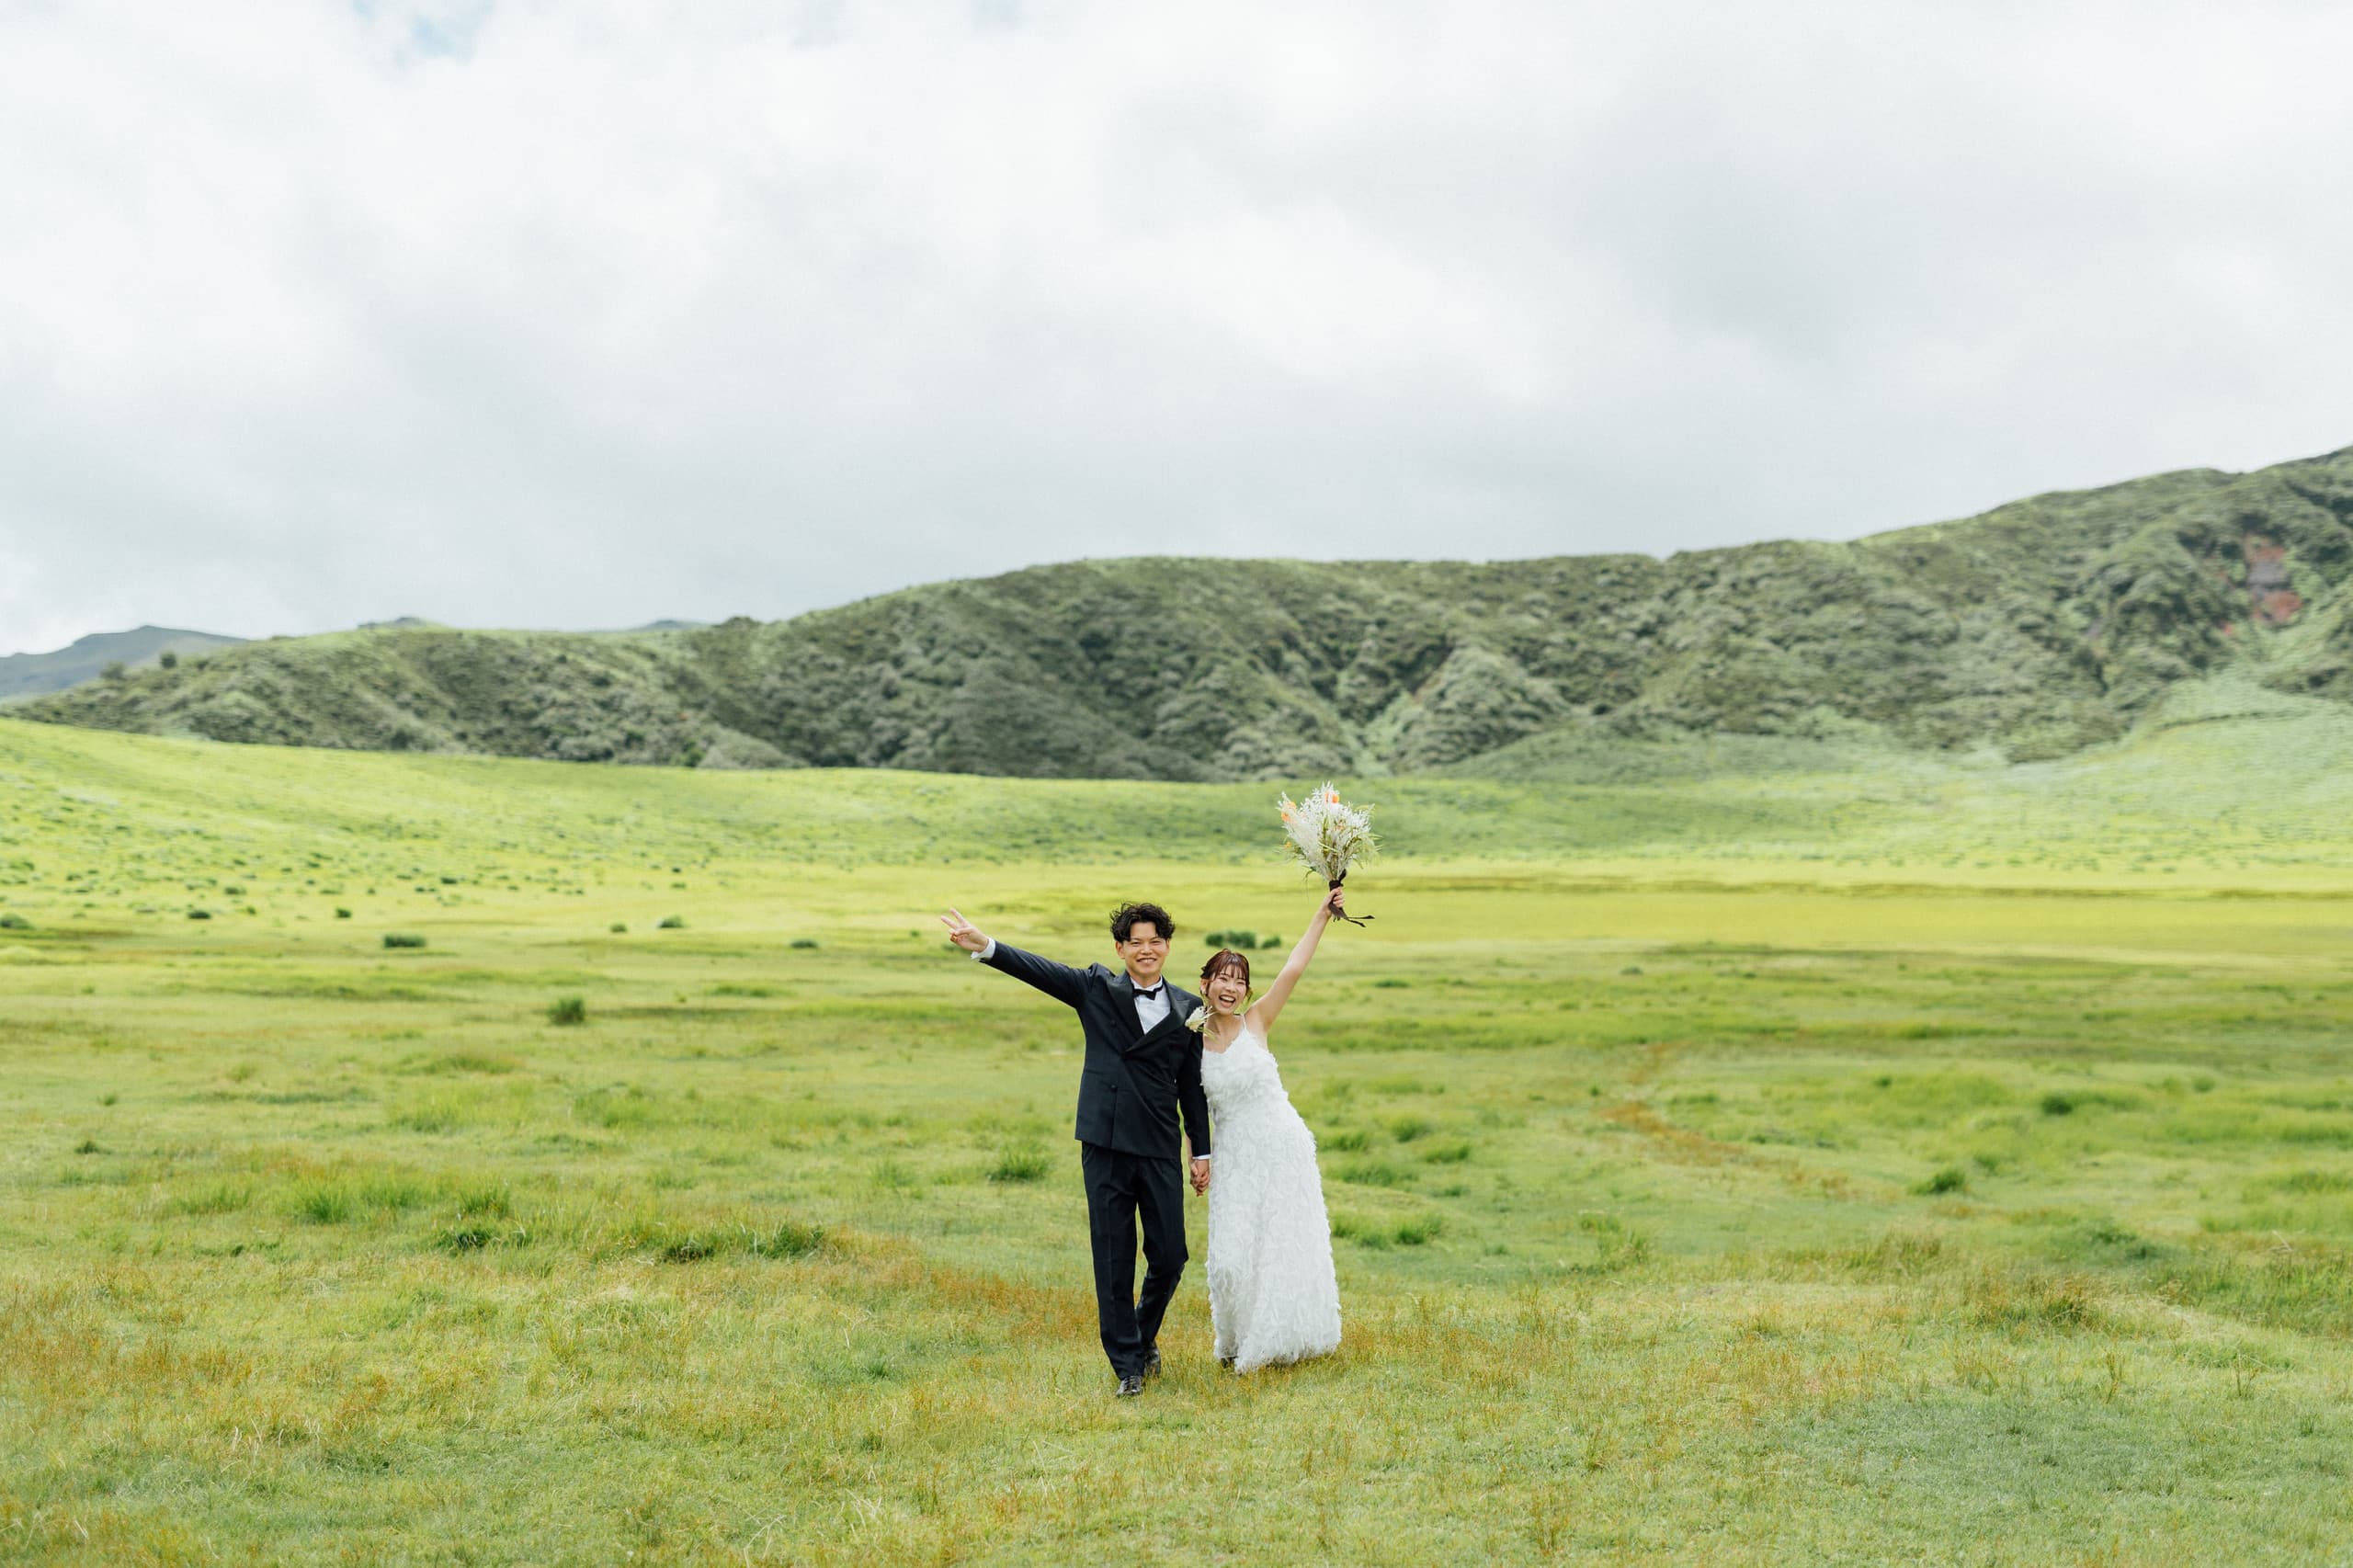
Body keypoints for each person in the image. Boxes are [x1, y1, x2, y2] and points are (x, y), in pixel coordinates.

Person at [938, 899, 1211, 1398]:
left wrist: (1202, 1152)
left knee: (1171, 1255)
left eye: (1155, 941)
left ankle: (1141, 1334)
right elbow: (1040, 971)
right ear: (1120, 949)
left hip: (1158, 1144)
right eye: (1136, 942)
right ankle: (1128, 1367)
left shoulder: (1191, 1009)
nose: (1146, 950)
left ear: (1168, 947)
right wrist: (987, 946)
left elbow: (1192, 1088)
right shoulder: (1096, 988)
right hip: (1105, 1143)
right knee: (1113, 1257)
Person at [1194, 886, 1346, 1373]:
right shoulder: (1189, 1041)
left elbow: (1293, 970)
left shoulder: (1257, 1021)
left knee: (1280, 1245)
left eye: (1239, 981)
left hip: (1282, 1145)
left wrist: (1322, 914)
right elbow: (1188, 1107)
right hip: (1234, 1156)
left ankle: (1274, 1338)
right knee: (1230, 1256)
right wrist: (1196, 1156)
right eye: (1222, 978)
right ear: (1205, 983)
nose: (1230, 988)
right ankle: (1233, 1338)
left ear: (1246, 991)